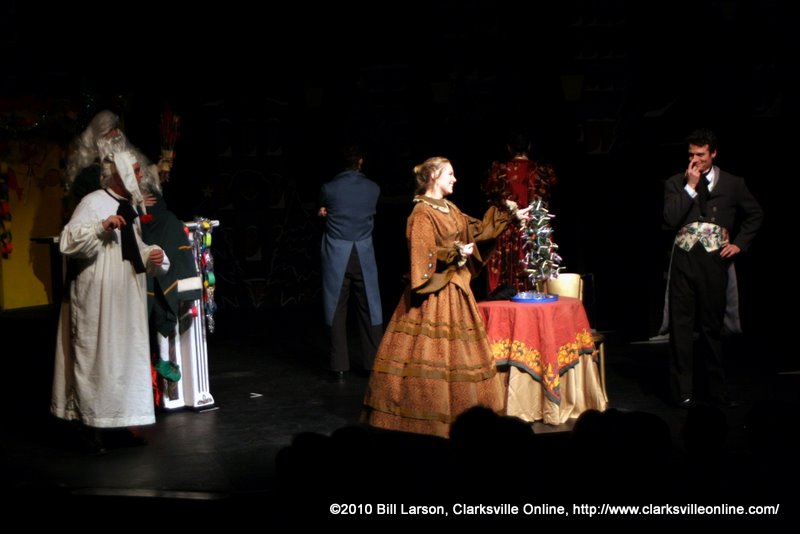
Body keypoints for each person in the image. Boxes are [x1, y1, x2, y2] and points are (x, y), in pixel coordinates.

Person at [362, 157, 529, 437]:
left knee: (461, 355)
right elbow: (422, 250)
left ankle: (464, 416)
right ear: (433, 177)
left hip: (457, 288)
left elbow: (476, 230)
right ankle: (423, 419)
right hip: (435, 292)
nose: (455, 179)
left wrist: (508, 218)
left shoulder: (450, 208)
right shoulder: (421, 213)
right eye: (449, 174)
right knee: (428, 354)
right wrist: (453, 252)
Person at [52, 111, 170, 451]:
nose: (140, 176)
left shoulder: (128, 207)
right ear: (119, 174)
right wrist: (101, 227)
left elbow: (131, 249)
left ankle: (120, 424)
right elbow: (68, 241)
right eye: (135, 171)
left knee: (124, 361)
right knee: (99, 360)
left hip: (125, 296)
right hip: (99, 296)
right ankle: (92, 427)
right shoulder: (93, 202)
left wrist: (152, 256)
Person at [663, 129, 763, 409]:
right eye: (691, 155)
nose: (695, 160)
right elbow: (670, 219)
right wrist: (690, 187)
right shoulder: (676, 182)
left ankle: (716, 391)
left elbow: (755, 214)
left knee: (712, 328)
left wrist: (739, 244)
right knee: (681, 328)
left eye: (701, 154)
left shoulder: (733, 183)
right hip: (684, 261)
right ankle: (682, 392)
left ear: (713, 153)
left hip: (714, 262)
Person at [318, 145, 383, 380]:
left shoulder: (329, 188)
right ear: (360, 162)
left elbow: (325, 208)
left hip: (337, 254)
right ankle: (372, 363)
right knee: (369, 307)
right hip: (363, 253)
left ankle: (339, 367)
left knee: (336, 307)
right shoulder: (373, 188)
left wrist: (324, 212)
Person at [483, 132, 557, 294]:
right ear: (529, 147)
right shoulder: (542, 171)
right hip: (536, 231)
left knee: (505, 283)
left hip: (506, 231)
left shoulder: (499, 171)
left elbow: (490, 197)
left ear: (509, 148)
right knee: (537, 278)